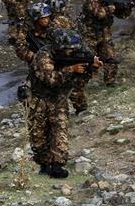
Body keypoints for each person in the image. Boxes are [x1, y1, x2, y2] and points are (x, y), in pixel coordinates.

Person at [28, 29, 102, 178]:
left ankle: (57, 165)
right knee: (38, 136)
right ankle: (44, 164)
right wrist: (71, 69)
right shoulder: (43, 56)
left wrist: (91, 68)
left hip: (59, 98)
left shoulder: (74, 54)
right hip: (39, 99)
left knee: (60, 130)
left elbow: (79, 82)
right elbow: (51, 80)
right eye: (67, 50)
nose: (70, 53)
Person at [80, 0, 132, 86]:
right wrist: (111, 8)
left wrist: (127, 7)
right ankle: (87, 81)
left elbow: (122, 16)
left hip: (104, 32)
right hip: (90, 32)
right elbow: (99, 13)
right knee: (89, 57)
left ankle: (110, 80)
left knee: (110, 56)